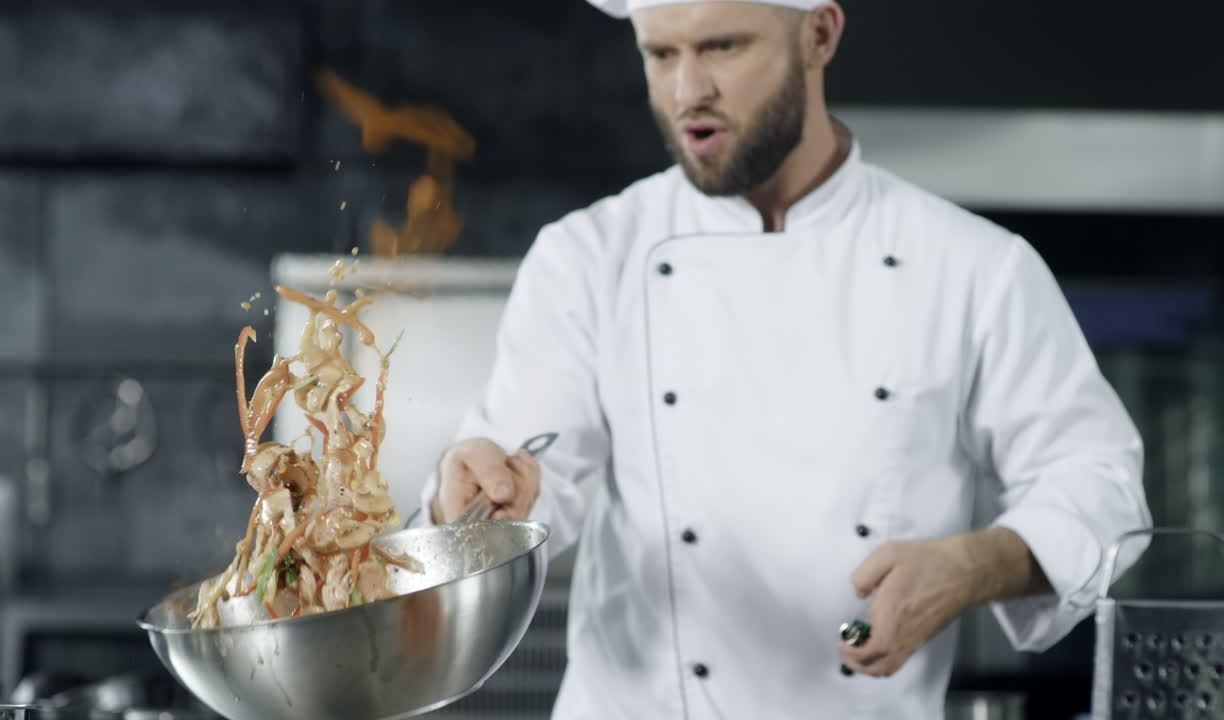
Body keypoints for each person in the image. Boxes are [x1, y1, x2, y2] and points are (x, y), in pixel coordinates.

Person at [413, 0, 1153, 717]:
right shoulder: (588, 257)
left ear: (820, 36)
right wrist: (472, 502)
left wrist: (974, 567)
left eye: (723, 47)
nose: (686, 91)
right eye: (661, 54)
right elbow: (528, 489)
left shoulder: (971, 268)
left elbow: (1099, 484)